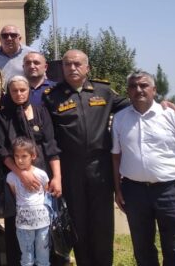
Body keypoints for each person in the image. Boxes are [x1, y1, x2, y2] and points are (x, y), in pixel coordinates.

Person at [41, 50, 128, 266]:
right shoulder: (51, 96)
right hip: (71, 169)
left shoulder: (103, 91)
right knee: (78, 222)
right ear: (62, 68)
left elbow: (133, 104)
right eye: (67, 64)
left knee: (102, 223)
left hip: (100, 168)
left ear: (87, 68)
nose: (72, 68)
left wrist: (163, 104)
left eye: (77, 64)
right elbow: (48, 136)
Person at [112, 71, 175, 266]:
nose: (138, 90)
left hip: (169, 191)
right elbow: (116, 156)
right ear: (128, 91)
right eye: (133, 86)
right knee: (142, 247)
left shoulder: (173, 116)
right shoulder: (120, 119)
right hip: (134, 191)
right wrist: (118, 190)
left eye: (144, 85)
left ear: (154, 89)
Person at [0, 75, 62, 265]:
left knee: (45, 231)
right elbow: (1, 149)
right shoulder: (1, 117)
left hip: (42, 176)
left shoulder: (41, 112)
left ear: (29, 91)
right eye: (14, 90)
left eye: (22, 90)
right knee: (18, 232)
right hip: (15, 178)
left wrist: (57, 177)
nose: (19, 94)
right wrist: (21, 173)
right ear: (9, 93)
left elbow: (51, 145)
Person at [5, 137, 51, 266]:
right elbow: (15, 194)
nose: (20, 160)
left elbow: (46, 193)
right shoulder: (11, 177)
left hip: (43, 223)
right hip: (23, 225)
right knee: (27, 258)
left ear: (33, 156)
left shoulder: (41, 174)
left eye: (24, 156)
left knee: (43, 256)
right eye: (16, 156)